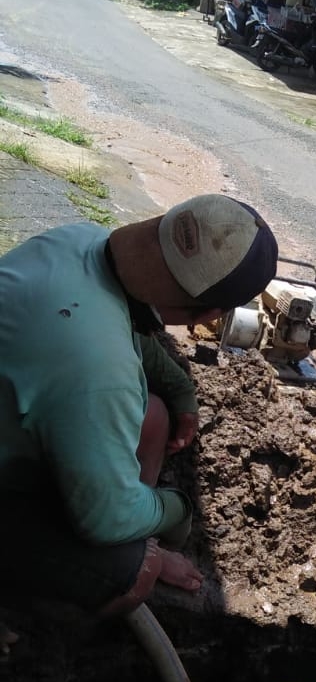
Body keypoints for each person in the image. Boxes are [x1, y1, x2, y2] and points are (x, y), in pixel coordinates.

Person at [0, 194, 278, 618]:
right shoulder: (100, 371)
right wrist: (176, 512)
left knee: (153, 415)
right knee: (132, 570)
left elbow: (119, 327)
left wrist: (180, 388)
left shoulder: (79, 239)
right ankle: (30, 629)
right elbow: (103, 520)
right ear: (211, 314)